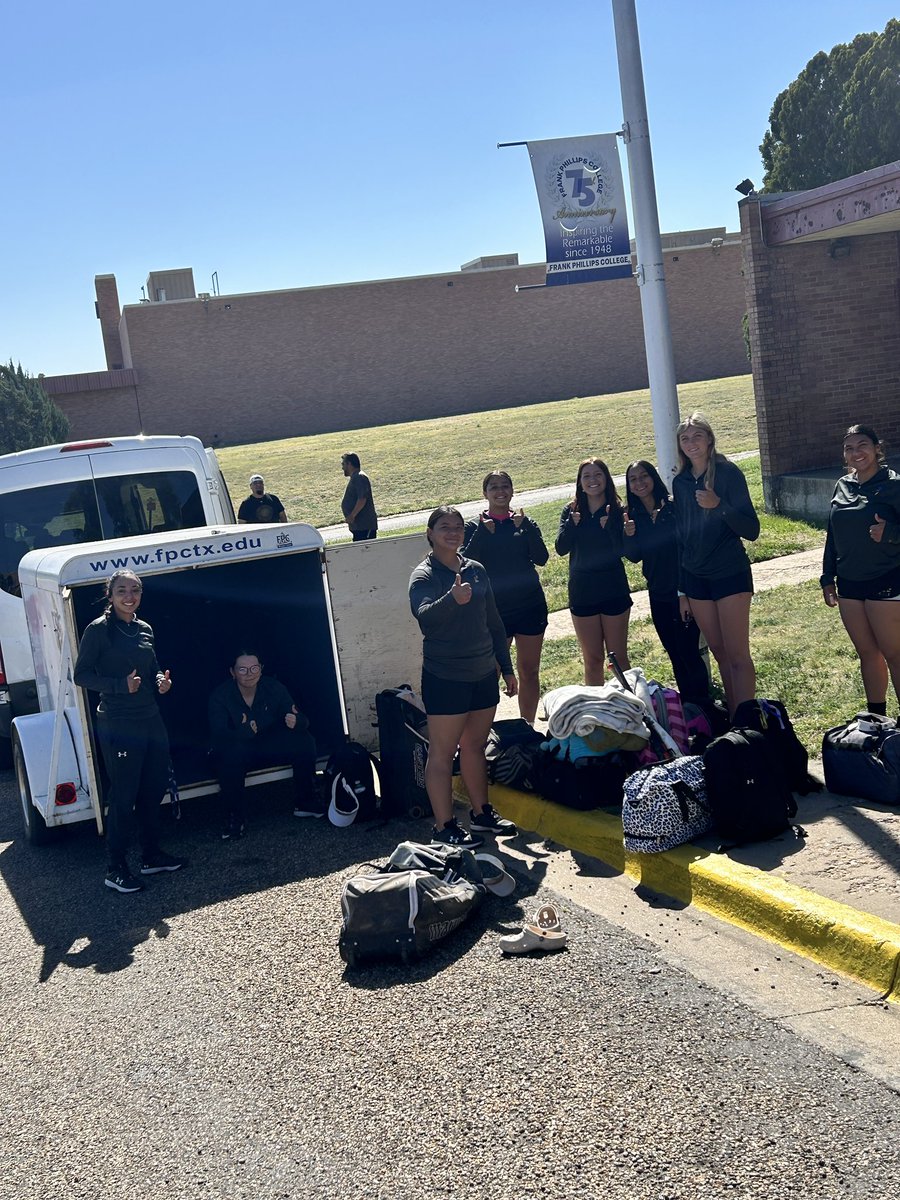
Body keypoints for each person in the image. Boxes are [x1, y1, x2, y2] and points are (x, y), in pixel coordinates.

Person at [408, 506, 518, 847]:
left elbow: (494, 623)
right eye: (445, 527)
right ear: (430, 533)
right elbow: (425, 618)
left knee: (474, 746)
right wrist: (452, 599)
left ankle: (482, 814)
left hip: (483, 673)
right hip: (445, 677)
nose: (453, 532)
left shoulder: (476, 570)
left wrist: (507, 668)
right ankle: (444, 827)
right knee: (442, 754)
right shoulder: (424, 575)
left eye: (458, 526)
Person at [73, 569, 184, 894]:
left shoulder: (144, 628)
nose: (129, 596)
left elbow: (151, 668)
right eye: (122, 590)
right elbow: (81, 675)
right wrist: (120, 686)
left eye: (135, 590)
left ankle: (151, 855)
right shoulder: (98, 630)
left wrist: (161, 682)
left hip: (150, 718)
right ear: (110, 595)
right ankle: (116, 867)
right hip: (119, 722)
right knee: (123, 796)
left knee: (153, 789)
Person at [672, 412, 760, 714]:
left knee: (737, 655)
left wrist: (718, 505)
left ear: (709, 439)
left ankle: (748, 722)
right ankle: (735, 719)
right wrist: (682, 590)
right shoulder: (680, 482)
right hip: (696, 579)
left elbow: (752, 529)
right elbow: (681, 539)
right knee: (720, 653)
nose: (691, 443)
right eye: (685, 438)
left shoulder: (728, 473)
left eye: (697, 436)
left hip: (729, 574)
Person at [821, 424, 900, 714]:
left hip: (886, 578)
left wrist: (890, 533)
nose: (856, 453)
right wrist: (827, 576)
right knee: (867, 653)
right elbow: (833, 534)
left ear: (877, 448)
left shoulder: (894, 485)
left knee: (894, 654)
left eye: (863, 445)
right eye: (849, 448)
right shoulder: (842, 485)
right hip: (849, 583)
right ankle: (877, 719)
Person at [463, 470, 549, 723]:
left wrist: (527, 529)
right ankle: (484, 730)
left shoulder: (524, 522)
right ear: (485, 493)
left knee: (529, 670)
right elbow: (465, 564)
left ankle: (528, 726)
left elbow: (542, 558)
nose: (500, 492)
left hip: (529, 605)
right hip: (494, 609)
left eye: (505, 486)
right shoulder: (474, 526)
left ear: (512, 490)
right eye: (494, 487)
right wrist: (482, 533)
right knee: (492, 671)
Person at [623, 460, 711, 705]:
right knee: (674, 652)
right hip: (657, 593)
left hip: (683, 591)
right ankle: (688, 709)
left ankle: (703, 706)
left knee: (688, 651)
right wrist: (628, 535)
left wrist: (684, 593)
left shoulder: (673, 508)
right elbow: (634, 556)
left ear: (653, 477)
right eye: (633, 479)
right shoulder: (632, 516)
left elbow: (686, 549)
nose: (639, 483)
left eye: (644, 476)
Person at [208, 650, 321, 839]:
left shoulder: (274, 688)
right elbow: (218, 734)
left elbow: (300, 717)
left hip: (268, 744)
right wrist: (241, 733)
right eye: (242, 669)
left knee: (304, 740)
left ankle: (306, 801)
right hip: (237, 749)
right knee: (229, 755)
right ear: (232, 672)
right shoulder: (221, 696)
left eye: (254, 668)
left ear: (261, 669)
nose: (249, 674)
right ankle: (235, 816)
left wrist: (297, 722)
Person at [555, 458, 631, 685]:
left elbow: (624, 552)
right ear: (579, 482)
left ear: (606, 478)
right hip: (583, 591)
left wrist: (611, 529)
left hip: (613, 588)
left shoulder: (618, 510)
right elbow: (561, 548)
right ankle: (597, 705)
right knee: (593, 659)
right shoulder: (571, 510)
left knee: (618, 658)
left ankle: (631, 703)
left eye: (598, 474)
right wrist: (571, 524)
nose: (592, 480)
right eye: (586, 476)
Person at [340, 453, 378, 540]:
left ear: (349, 464)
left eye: (343, 464)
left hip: (364, 527)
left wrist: (352, 515)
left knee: (366, 548)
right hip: (359, 527)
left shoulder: (359, 477)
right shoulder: (355, 477)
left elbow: (362, 499)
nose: (342, 468)